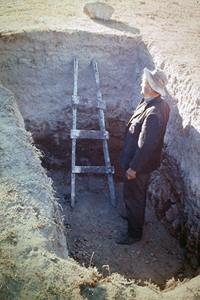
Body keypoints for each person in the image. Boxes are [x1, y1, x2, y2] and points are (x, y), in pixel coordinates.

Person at [115, 68, 170, 245]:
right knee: (136, 194)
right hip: (139, 160)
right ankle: (134, 215)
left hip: (139, 164)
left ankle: (134, 233)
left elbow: (147, 144)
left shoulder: (153, 113)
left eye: (145, 82)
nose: (142, 83)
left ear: (152, 88)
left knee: (134, 195)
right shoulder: (152, 102)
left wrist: (133, 168)